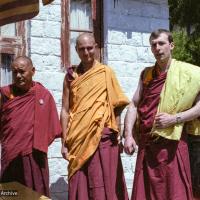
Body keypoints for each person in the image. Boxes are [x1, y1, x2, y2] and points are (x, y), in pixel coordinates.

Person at [124, 29, 200, 200]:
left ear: (171, 45)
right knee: (146, 193)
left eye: (161, 43)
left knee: (174, 192)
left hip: (172, 143)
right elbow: (134, 104)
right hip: (148, 144)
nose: (157, 48)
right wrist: (128, 135)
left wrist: (174, 118)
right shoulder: (147, 75)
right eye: (153, 45)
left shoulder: (189, 73)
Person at [61, 33, 129, 200]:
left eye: (90, 48)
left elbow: (117, 105)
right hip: (77, 137)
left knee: (105, 182)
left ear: (96, 47)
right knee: (80, 180)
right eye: (82, 49)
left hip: (103, 136)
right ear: (76, 50)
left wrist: (118, 135)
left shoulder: (106, 73)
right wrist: (64, 142)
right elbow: (65, 110)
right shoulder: (71, 77)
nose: (86, 52)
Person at [0, 56, 61, 197]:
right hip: (10, 155)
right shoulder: (4, 95)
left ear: (32, 71)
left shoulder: (43, 95)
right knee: (11, 194)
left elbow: (52, 128)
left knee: (36, 192)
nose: (18, 76)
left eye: (22, 71)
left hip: (35, 156)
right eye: (14, 72)